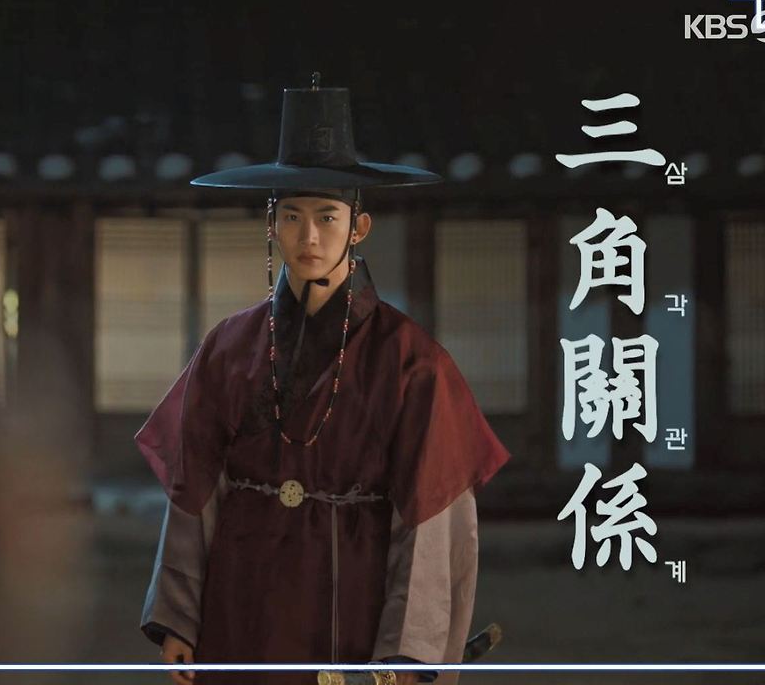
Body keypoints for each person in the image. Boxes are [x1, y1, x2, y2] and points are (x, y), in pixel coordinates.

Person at [136, 76, 511, 685]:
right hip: (243, 593)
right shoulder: (230, 346)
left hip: (353, 593)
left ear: (358, 228)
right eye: (292, 216)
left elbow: (431, 516)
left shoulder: (411, 360)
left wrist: (407, 651)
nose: (309, 237)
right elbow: (195, 490)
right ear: (272, 224)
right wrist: (180, 617)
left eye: (327, 217)